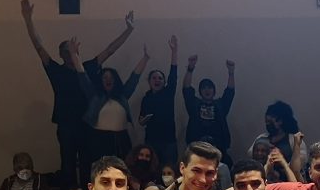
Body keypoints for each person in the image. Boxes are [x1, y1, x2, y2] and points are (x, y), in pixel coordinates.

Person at [20, 0, 134, 189]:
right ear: (61, 54)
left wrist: (129, 30)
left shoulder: (87, 67)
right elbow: (39, 47)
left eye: (73, 50)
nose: (70, 53)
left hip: (88, 125)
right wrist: (28, 20)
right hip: (66, 125)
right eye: (66, 51)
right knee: (68, 165)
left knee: (90, 165)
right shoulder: (57, 71)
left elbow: (110, 50)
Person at [82, 47, 147, 168]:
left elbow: (134, 78)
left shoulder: (123, 95)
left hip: (121, 140)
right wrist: (74, 56)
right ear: (100, 81)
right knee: (101, 170)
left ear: (115, 80)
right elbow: (83, 77)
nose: (108, 80)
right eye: (105, 77)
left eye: (111, 77)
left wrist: (145, 58)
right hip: (99, 139)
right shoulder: (95, 96)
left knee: (121, 170)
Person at [138, 35, 181, 168]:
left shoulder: (168, 93)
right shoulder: (146, 98)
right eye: (154, 78)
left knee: (169, 171)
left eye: (160, 78)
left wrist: (174, 52)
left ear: (164, 81)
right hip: (151, 140)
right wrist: (144, 120)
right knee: (150, 170)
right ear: (149, 81)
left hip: (168, 141)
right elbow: (140, 120)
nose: (157, 80)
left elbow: (173, 74)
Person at [184, 59, 237, 164]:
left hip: (219, 146)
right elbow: (187, 90)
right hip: (197, 146)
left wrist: (231, 72)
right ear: (200, 91)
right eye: (204, 88)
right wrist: (190, 69)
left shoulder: (220, 105)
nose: (207, 90)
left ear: (214, 91)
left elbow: (230, 92)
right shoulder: (195, 104)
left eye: (209, 88)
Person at [264, 101, 308, 181]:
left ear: (280, 121)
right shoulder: (262, 138)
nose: (267, 125)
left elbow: (299, 167)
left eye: (270, 122)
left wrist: (282, 161)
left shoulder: (294, 140)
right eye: (266, 122)